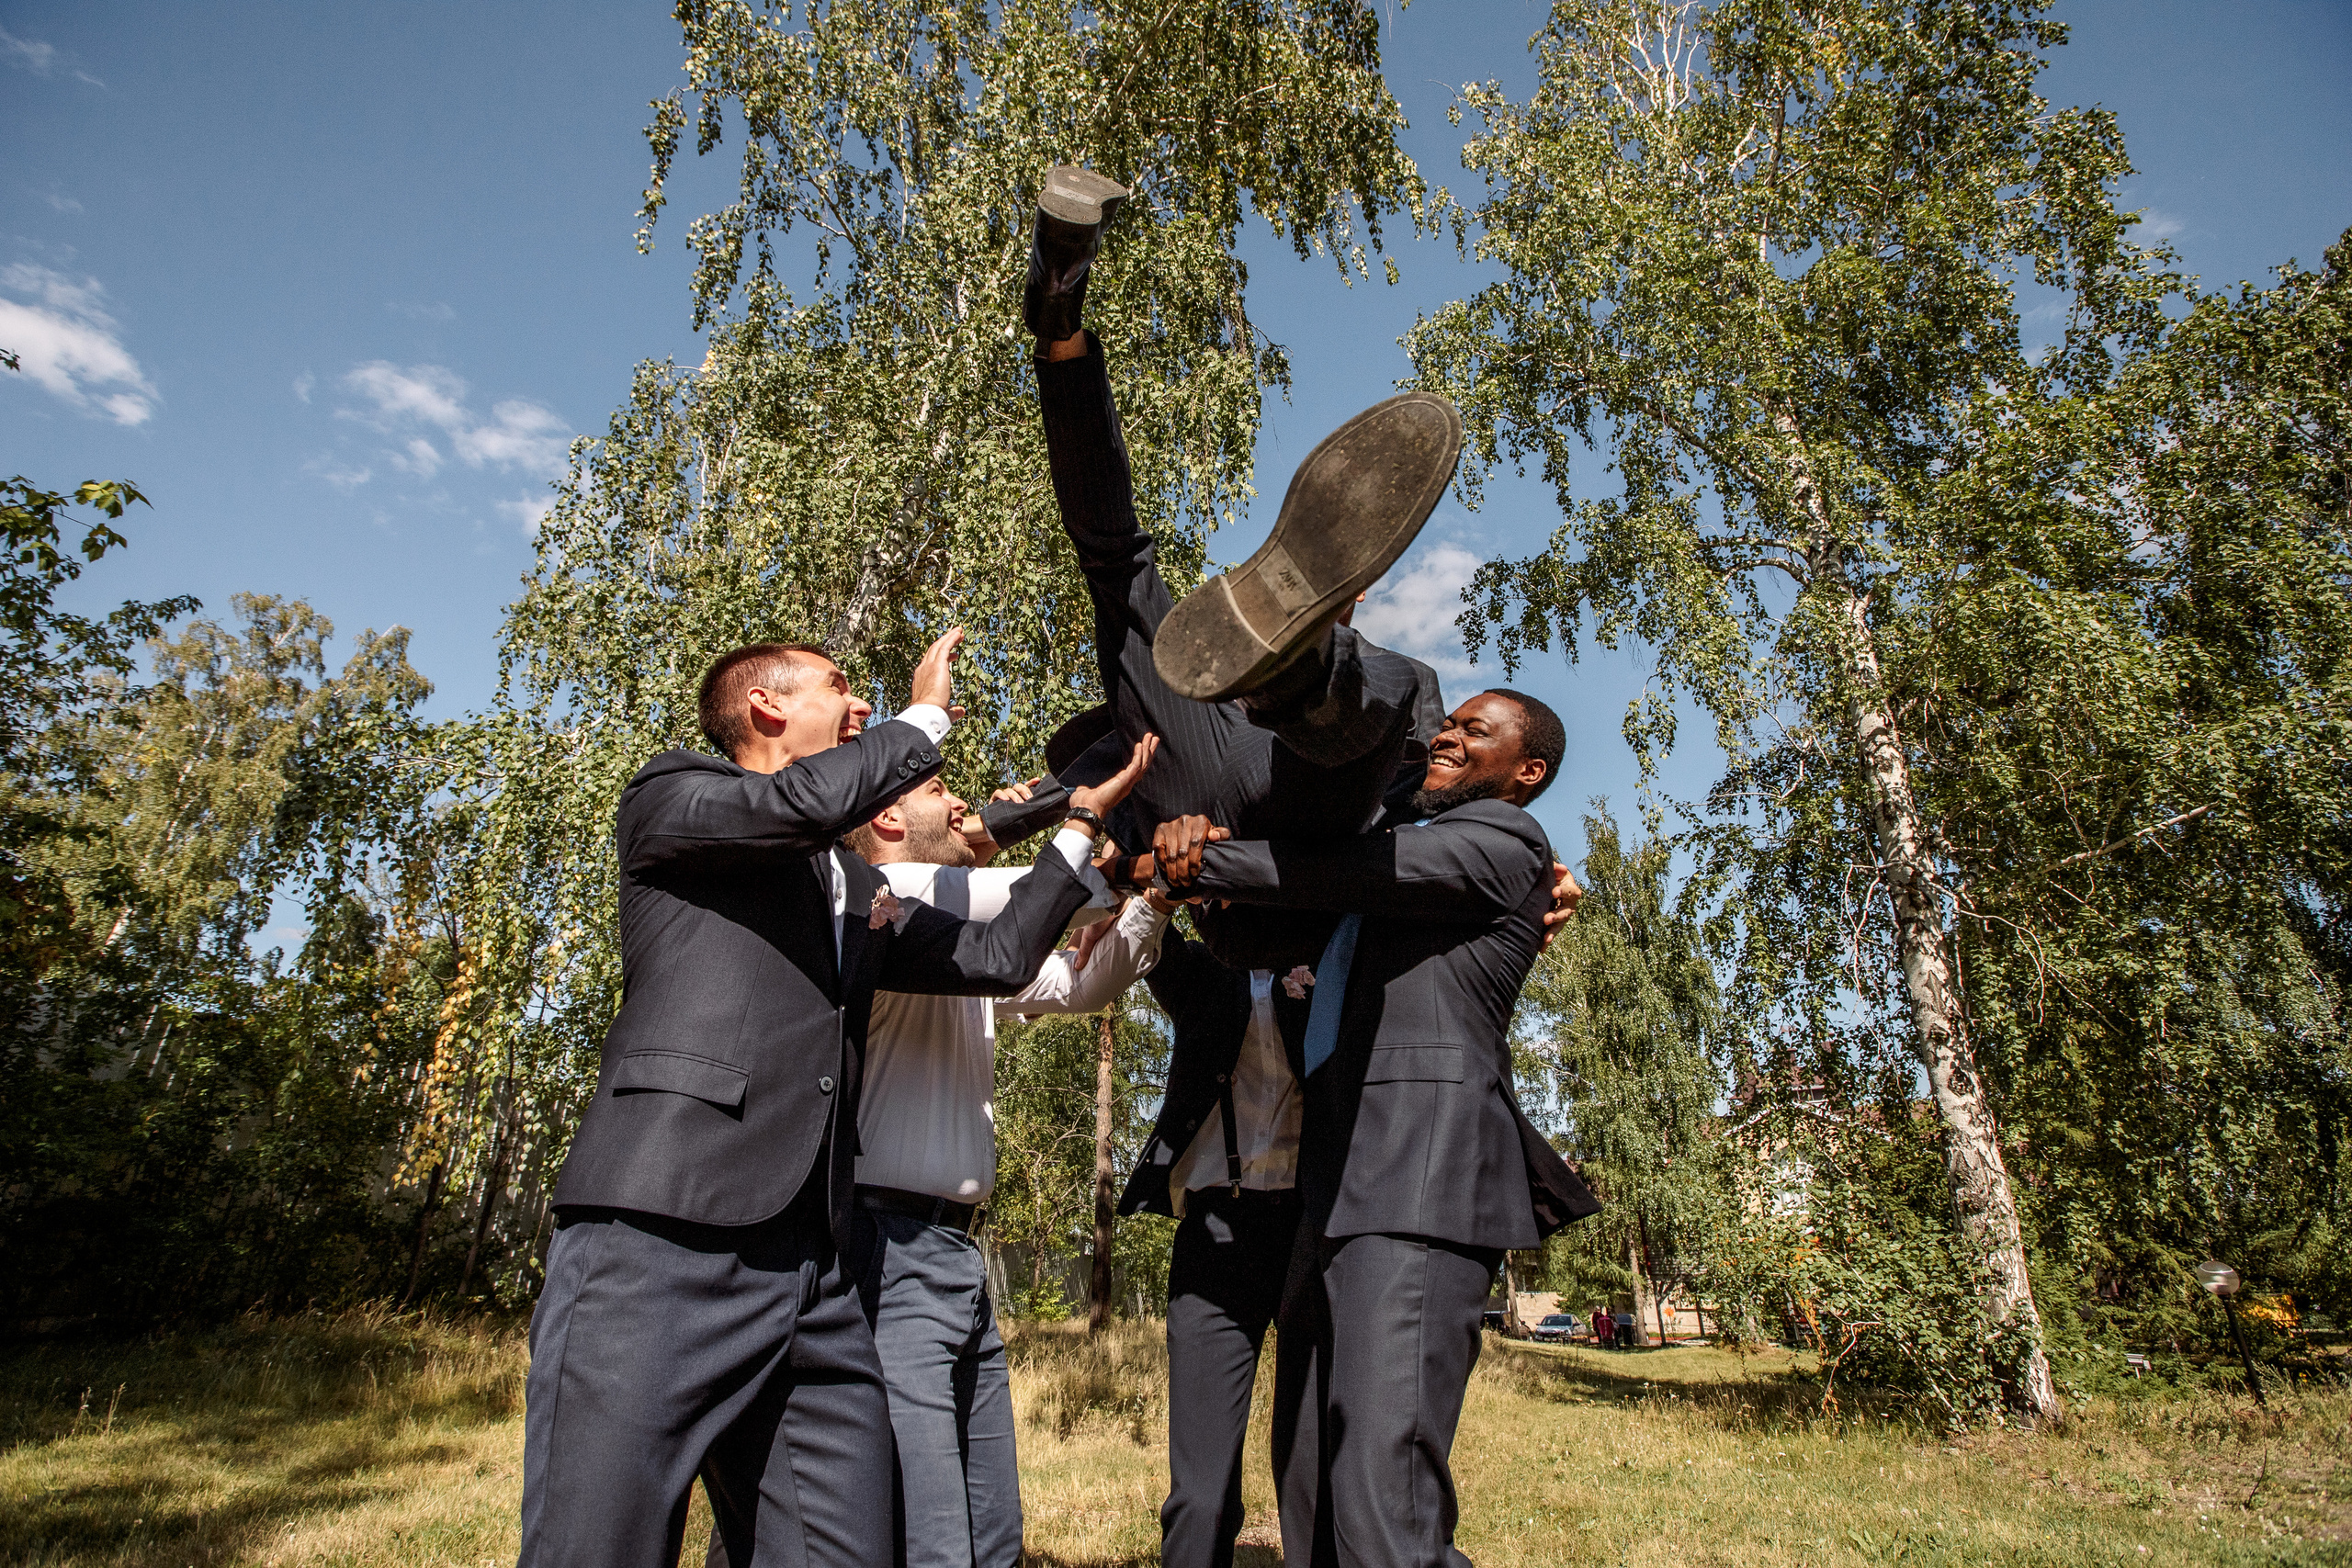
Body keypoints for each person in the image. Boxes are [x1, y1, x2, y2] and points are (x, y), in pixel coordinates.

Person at [516, 628, 1153, 1568]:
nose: (861, 706)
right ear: (766, 708)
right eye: (839, 687)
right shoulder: (677, 796)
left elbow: (998, 957)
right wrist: (922, 713)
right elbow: (801, 804)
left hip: (811, 1276)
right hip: (655, 1244)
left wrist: (1076, 828)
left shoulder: (857, 887)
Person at [1141, 687, 1600, 1568]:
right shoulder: (1408, 862)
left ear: (1528, 770)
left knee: (1383, 1501)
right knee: (1311, 1482)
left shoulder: (1508, 841)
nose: (1449, 735)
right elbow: (1273, 932)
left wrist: (1199, 864)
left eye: (1476, 730)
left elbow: (1333, 871)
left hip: (1416, 1188)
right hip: (1339, 1192)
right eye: (1448, 722)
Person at [1025, 164, 1456, 969]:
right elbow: (1110, 852)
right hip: (1234, 784)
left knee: (1119, 565)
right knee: (1383, 693)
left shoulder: (1404, 694)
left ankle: (1057, 327)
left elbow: (1419, 800)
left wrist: (1166, 854)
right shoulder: (1129, 770)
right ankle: (1298, 680)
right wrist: (1141, 853)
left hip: (1270, 816)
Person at [843, 767, 1176, 1568]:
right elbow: (1046, 894)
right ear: (887, 818)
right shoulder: (881, 900)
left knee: (992, 1529)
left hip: (958, 1258)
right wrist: (1097, 829)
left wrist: (1156, 903)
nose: (967, 806)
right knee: (923, 1529)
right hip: (883, 1250)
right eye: (940, 795)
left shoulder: (970, 947)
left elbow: (1080, 981)